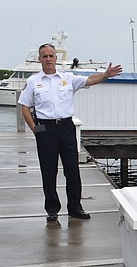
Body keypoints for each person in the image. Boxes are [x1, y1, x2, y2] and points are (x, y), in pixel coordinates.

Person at [19, 43, 122, 221]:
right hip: (45, 129)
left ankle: (75, 207)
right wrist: (35, 129)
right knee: (49, 170)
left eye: (51, 56)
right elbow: (25, 107)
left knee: (72, 170)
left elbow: (89, 80)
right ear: (39, 59)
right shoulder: (33, 82)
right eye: (45, 56)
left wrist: (105, 75)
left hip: (66, 128)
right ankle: (52, 209)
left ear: (56, 59)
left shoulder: (68, 78)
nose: (48, 59)